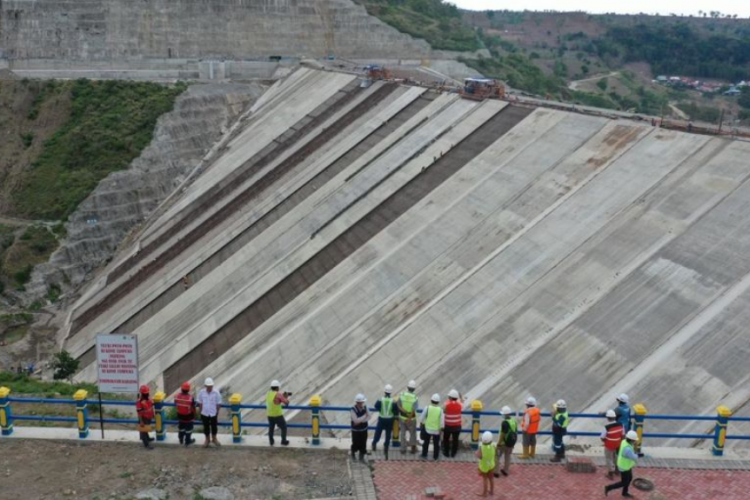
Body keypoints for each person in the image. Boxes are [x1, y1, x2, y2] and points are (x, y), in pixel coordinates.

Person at [605, 430, 639, 498]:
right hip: (624, 467)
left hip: (626, 465)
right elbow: (634, 457)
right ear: (632, 440)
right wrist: (638, 456)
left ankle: (624, 493)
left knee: (629, 478)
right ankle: (608, 488)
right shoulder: (627, 449)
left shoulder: (624, 441)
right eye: (635, 440)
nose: (635, 441)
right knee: (624, 482)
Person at [371, 384, 395, 460]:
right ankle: (386, 447)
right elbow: (395, 410)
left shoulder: (381, 399)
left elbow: (376, 406)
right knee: (388, 434)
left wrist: (381, 410)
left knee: (378, 432)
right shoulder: (393, 401)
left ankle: (374, 443)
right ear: (390, 392)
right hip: (390, 420)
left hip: (381, 419)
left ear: (384, 392)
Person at [197, 377, 222, 448]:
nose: (210, 387)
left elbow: (219, 403)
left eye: (211, 386)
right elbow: (200, 403)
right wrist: (201, 411)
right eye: (208, 386)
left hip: (213, 413)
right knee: (206, 427)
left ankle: (214, 439)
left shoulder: (216, 392)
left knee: (214, 427)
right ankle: (207, 440)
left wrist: (217, 412)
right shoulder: (201, 392)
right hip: (204, 413)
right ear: (205, 386)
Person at [494, 406, 517, 477]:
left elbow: (502, 434)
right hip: (511, 443)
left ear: (505, 414)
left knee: (496, 456)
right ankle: (506, 470)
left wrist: (499, 443)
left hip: (503, 443)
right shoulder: (514, 421)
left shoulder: (504, 423)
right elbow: (515, 432)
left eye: (503, 414)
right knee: (507, 456)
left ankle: (496, 472)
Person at [601, 409, 625, 479]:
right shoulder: (621, 425)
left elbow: (602, 437)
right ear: (615, 417)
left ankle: (610, 473)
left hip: (609, 445)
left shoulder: (607, 427)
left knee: (609, 458)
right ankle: (617, 470)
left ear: (608, 418)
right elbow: (623, 435)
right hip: (618, 444)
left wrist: (606, 441)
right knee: (616, 457)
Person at [397, 380, 419, 454]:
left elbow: (398, 405)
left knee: (402, 433)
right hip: (411, 419)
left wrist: (404, 411)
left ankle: (403, 449)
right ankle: (413, 449)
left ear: (407, 387)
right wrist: (409, 418)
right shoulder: (415, 397)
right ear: (414, 389)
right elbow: (414, 409)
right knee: (412, 433)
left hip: (402, 418)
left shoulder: (402, 394)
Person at [266, 380, 291, 446]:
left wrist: (282, 397)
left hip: (269, 415)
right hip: (277, 415)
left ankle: (271, 441)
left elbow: (274, 401)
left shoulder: (268, 394)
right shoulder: (278, 394)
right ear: (277, 387)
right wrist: (286, 397)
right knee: (284, 427)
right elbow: (286, 403)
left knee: (271, 428)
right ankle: (283, 440)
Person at [420, 393, 444, 461]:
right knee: (436, 444)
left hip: (427, 428)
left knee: (426, 442)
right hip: (436, 430)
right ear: (438, 402)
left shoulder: (427, 408)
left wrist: (422, 423)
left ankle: (424, 454)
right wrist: (441, 429)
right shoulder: (440, 410)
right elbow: (442, 421)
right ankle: (435, 457)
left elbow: (422, 418)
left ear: (431, 400)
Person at [175, 381, 197, 446]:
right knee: (189, 429)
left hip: (180, 416)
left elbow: (175, 402)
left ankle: (181, 438)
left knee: (181, 428)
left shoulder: (177, 396)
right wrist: (194, 415)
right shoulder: (190, 398)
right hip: (188, 416)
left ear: (181, 388)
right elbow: (193, 407)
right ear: (188, 389)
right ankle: (187, 441)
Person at [442, 389, 463, 458]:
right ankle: (453, 453)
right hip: (457, 426)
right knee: (455, 440)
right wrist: (460, 396)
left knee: (446, 439)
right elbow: (462, 401)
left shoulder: (446, 404)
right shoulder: (460, 404)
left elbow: (444, 410)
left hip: (448, 426)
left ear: (450, 397)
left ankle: (446, 453)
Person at [476, 431, 496, 497]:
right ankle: (492, 491)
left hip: (484, 466)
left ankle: (484, 494)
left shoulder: (481, 447)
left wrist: (476, 453)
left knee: (485, 479)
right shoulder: (493, 446)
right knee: (491, 478)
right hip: (491, 465)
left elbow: (479, 456)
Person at [351, 393, 369, 462]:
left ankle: (361, 456)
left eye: (362, 402)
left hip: (364, 429)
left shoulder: (365, 408)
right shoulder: (353, 410)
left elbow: (369, 417)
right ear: (357, 402)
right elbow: (355, 421)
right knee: (355, 443)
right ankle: (353, 453)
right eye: (361, 402)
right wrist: (364, 416)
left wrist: (360, 419)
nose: (362, 404)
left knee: (363, 443)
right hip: (356, 431)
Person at [136, 385, 155, 450]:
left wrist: (153, 414)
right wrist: (141, 421)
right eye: (146, 393)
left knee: (146, 429)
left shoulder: (148, 399)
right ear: (142, 393)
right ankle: (146, 444)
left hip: (148, 417)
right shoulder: (139, 401)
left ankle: (148, 438)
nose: (147, 394)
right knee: (143, 431)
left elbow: (151, 406)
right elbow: (139, 412)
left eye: (147, 393)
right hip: (143, 418)